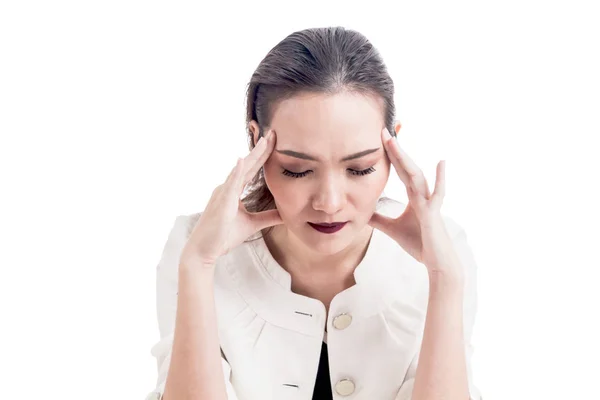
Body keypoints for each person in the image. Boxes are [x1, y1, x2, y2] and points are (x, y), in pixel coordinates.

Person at [145, 26, 482, 400]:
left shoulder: (442, 251)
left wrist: (445, 279)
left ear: (392, 149)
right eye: (297, 169)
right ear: (257, 143)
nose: (330, 202)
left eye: (360, 169)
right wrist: (198, 266)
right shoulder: (195, 248)